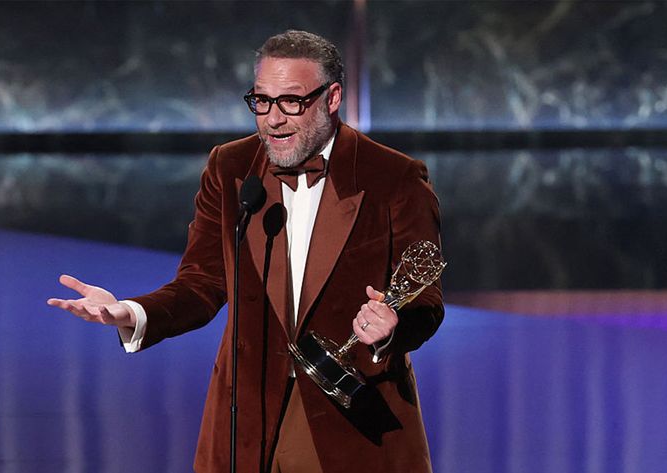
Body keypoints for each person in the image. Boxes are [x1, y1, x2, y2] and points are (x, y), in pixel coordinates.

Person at [48, 30, 444, 473]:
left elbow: (425, 301)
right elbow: (203, 281)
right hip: (248, 412)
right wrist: (130, 311)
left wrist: (392, 327)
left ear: (332, 98)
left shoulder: (395, 177)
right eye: (261, 100)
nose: (273, 119)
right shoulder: (232, 167)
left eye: (291, 102)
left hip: (352, 413)